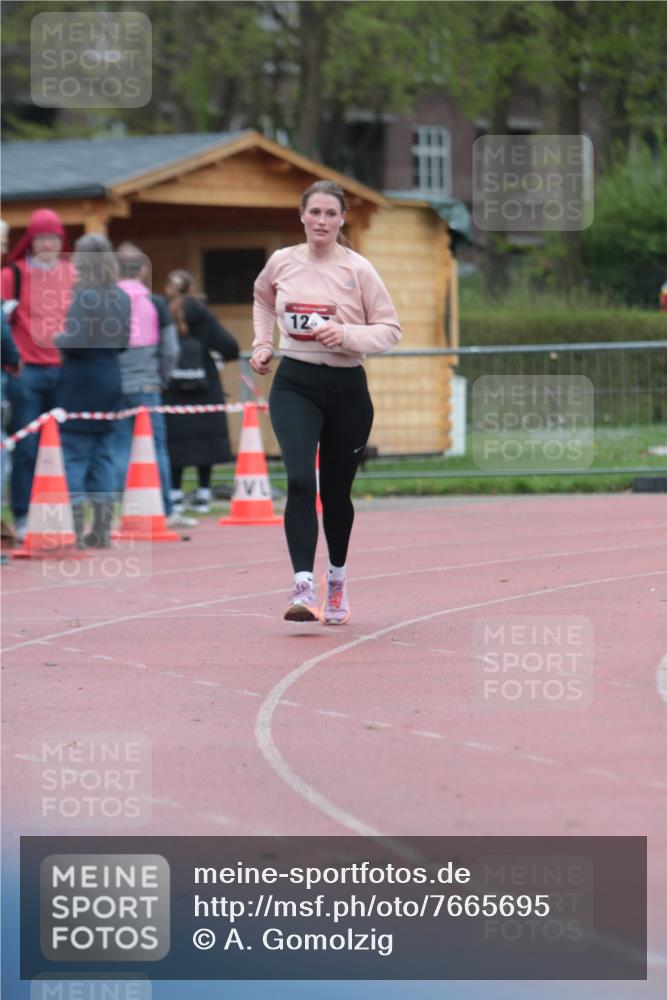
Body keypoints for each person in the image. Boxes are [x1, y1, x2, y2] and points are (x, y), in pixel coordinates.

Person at [250, 179, 401, 624]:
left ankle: (336, 579)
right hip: (294, 383)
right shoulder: (281, 262)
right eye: (314, 212)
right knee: (300, 480)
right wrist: (262, 343)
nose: (321, 221)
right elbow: (262, 299)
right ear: (301, 216)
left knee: (336, 494)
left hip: (346, 390)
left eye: (330, 214)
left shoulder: (358, 270)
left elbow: (390, 329)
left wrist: (347, 335)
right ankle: (302, 585)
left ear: (341, 220)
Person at [0, 209, 75, 539]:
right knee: (27, 448)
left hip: (63, 370)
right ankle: (23, 515)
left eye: (54, 238)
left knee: (63, 446)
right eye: (42, 238)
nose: (48, 244)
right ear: (31, 241)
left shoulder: (73, 273)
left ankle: (58, 514)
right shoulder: (11, 275)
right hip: (26, 372)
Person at [54, 234, 130, 548]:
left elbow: (75, 342)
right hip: (110, 375)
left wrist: (57, 339)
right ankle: (101, 529)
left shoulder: (84, 295)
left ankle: (73, 529)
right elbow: (123, 343)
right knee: (102, 456)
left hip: (81, 380)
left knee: (74, 454)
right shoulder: (121, 297)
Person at [109, 242, 184, 526]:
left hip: (116, 385)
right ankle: (165, 509)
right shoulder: (156, 303)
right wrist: (161, 377)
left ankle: (120, 511)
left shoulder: (106, 304)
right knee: (156, 447)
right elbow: (171, 349)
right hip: (147, 385)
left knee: (118, 447)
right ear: (142, 270)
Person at [163, 270, 239, 514]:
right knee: (205, 442)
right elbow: (230, 347)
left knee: (175, 441)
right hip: (205, 388)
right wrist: (216, 363)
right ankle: (204, 495)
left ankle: (174, 495)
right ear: (192, 290)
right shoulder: (204, 314)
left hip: (172, 389)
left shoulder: (163, 313)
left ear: (168, 289)